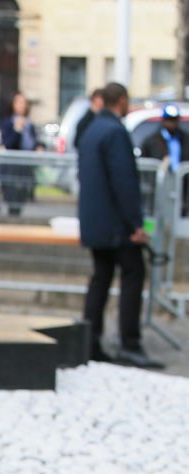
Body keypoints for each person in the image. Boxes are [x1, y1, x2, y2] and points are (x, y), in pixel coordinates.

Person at [78, 81, 165, 368]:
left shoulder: (92, 129)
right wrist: (136, 224)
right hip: (117, 225)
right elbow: (124, 182)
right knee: (132, 274)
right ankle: (129, 343)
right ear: (122, 100)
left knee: (100, 278)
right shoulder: (115, 132)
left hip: (95, 222)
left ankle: (90, 341)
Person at [0, 91, 39, 215]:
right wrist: (17, 129)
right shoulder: (7, 123)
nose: (22, 105)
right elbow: (8, 143)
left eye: (24, 103)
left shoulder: (30, 125)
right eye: (19, 102)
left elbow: (32, 143)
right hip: (12, 167)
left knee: (23, 197)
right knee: (12, 198)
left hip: (26, 167)